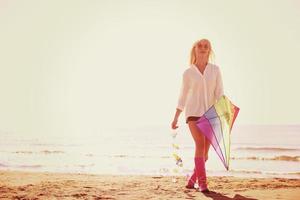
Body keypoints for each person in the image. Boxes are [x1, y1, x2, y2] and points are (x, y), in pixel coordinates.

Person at [171, 39, 224, 193]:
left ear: (209, 50)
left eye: (206, 46)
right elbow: (183, 96)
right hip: (193, 113)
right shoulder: (188, 73)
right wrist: (176, 117)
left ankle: (192, 179)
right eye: (199, 46)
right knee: (199, 145)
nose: (202, 48)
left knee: (205, 155)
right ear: (194, 49)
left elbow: (219, 93)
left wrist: (223, 111)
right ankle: (202, 184)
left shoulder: (215, 70)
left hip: (211, 114)